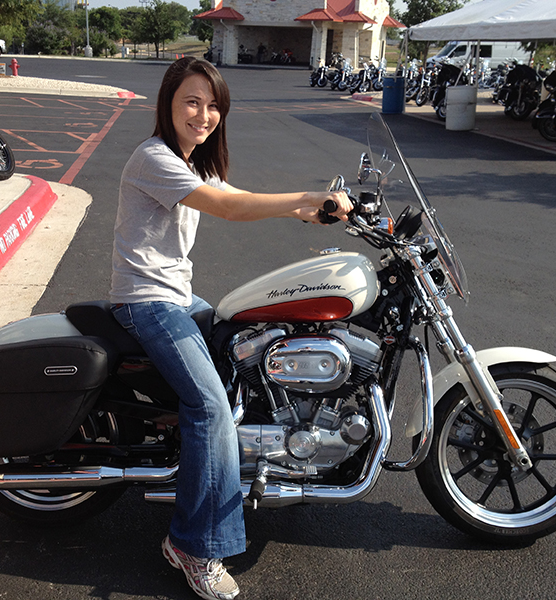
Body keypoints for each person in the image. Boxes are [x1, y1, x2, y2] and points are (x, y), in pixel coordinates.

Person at [109, 56, 350, 600]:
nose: (203, 114)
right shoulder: (153, 157)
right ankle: (194, 546)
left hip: (176, 295)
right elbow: (232, 207)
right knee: (210, 407)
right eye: (192, 101)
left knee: (244, 344)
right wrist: (304, 199)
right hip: (146, 301)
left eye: (213, 104)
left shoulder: (194, 162)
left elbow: (238, 195)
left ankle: (229, 457)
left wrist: (313, 210)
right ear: (168, 103)